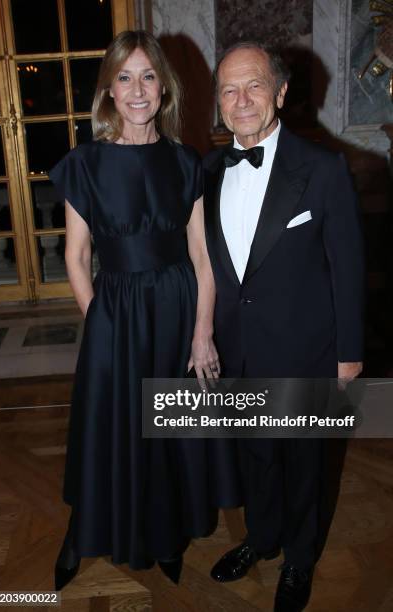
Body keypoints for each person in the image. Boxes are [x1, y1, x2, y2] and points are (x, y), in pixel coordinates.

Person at [49, 30, 241, 591]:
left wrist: (202, 333)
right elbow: (76, 255)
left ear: (165, 88)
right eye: (125, 77)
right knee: (107, 426)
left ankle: (163, 534)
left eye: (149, 76)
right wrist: (100, 322)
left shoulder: (185, 161)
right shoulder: (84, 164)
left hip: (178, 309)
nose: (138, 90)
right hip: (115, 313)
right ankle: (81, 530)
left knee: (168, 431)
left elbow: (202, 256)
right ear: (109, 89)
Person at [203, 42, 364, 611]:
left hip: (305, 350)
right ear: (218, 101)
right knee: (256, 456)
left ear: (281, 92)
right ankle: (261, 537)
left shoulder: (322, 169)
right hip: (236, 350)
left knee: (303, 464)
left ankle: (299, 559)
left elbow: (348, 267)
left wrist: (349, 354)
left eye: (253, 85)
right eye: (228, 89)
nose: (241, 99)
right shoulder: (207, 171)